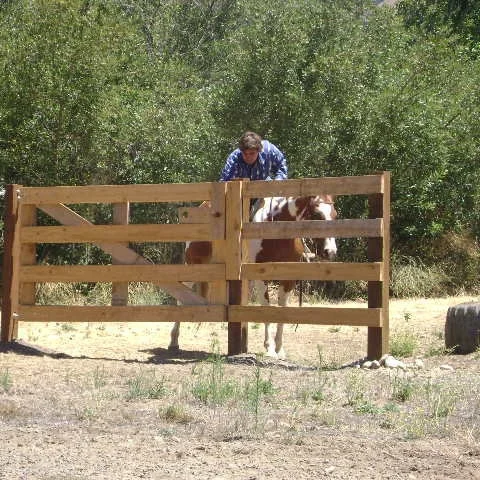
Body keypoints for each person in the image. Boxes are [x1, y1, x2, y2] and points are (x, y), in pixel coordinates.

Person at [219, 131, 288, 182]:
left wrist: (277, 183)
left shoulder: (269, 150)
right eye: (245, 153)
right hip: (241, 193)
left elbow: (282, 166)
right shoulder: (234, 158)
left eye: (252, 153)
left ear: (259, 150)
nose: (248, 157)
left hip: (265, 188)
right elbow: (224, 182)